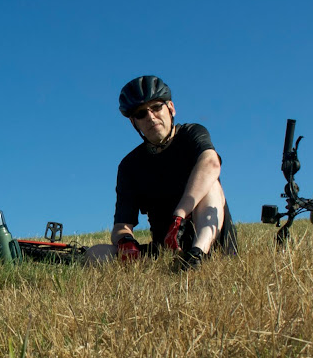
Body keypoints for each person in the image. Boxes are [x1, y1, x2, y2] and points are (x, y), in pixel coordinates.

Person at [88, 75, 237, 269]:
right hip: (166, 248)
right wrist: (125, 241)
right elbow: (121, 225)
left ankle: (196, 256)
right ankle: (170, 264)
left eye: (156, 107)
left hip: (212, 243)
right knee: (95, 254)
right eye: (141, 114)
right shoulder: (130, 165)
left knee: (211, 186)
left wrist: (179, 216)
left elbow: (211, 163)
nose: (150, 117)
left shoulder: (192, 134)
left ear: (171, 108)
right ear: (134, 123)